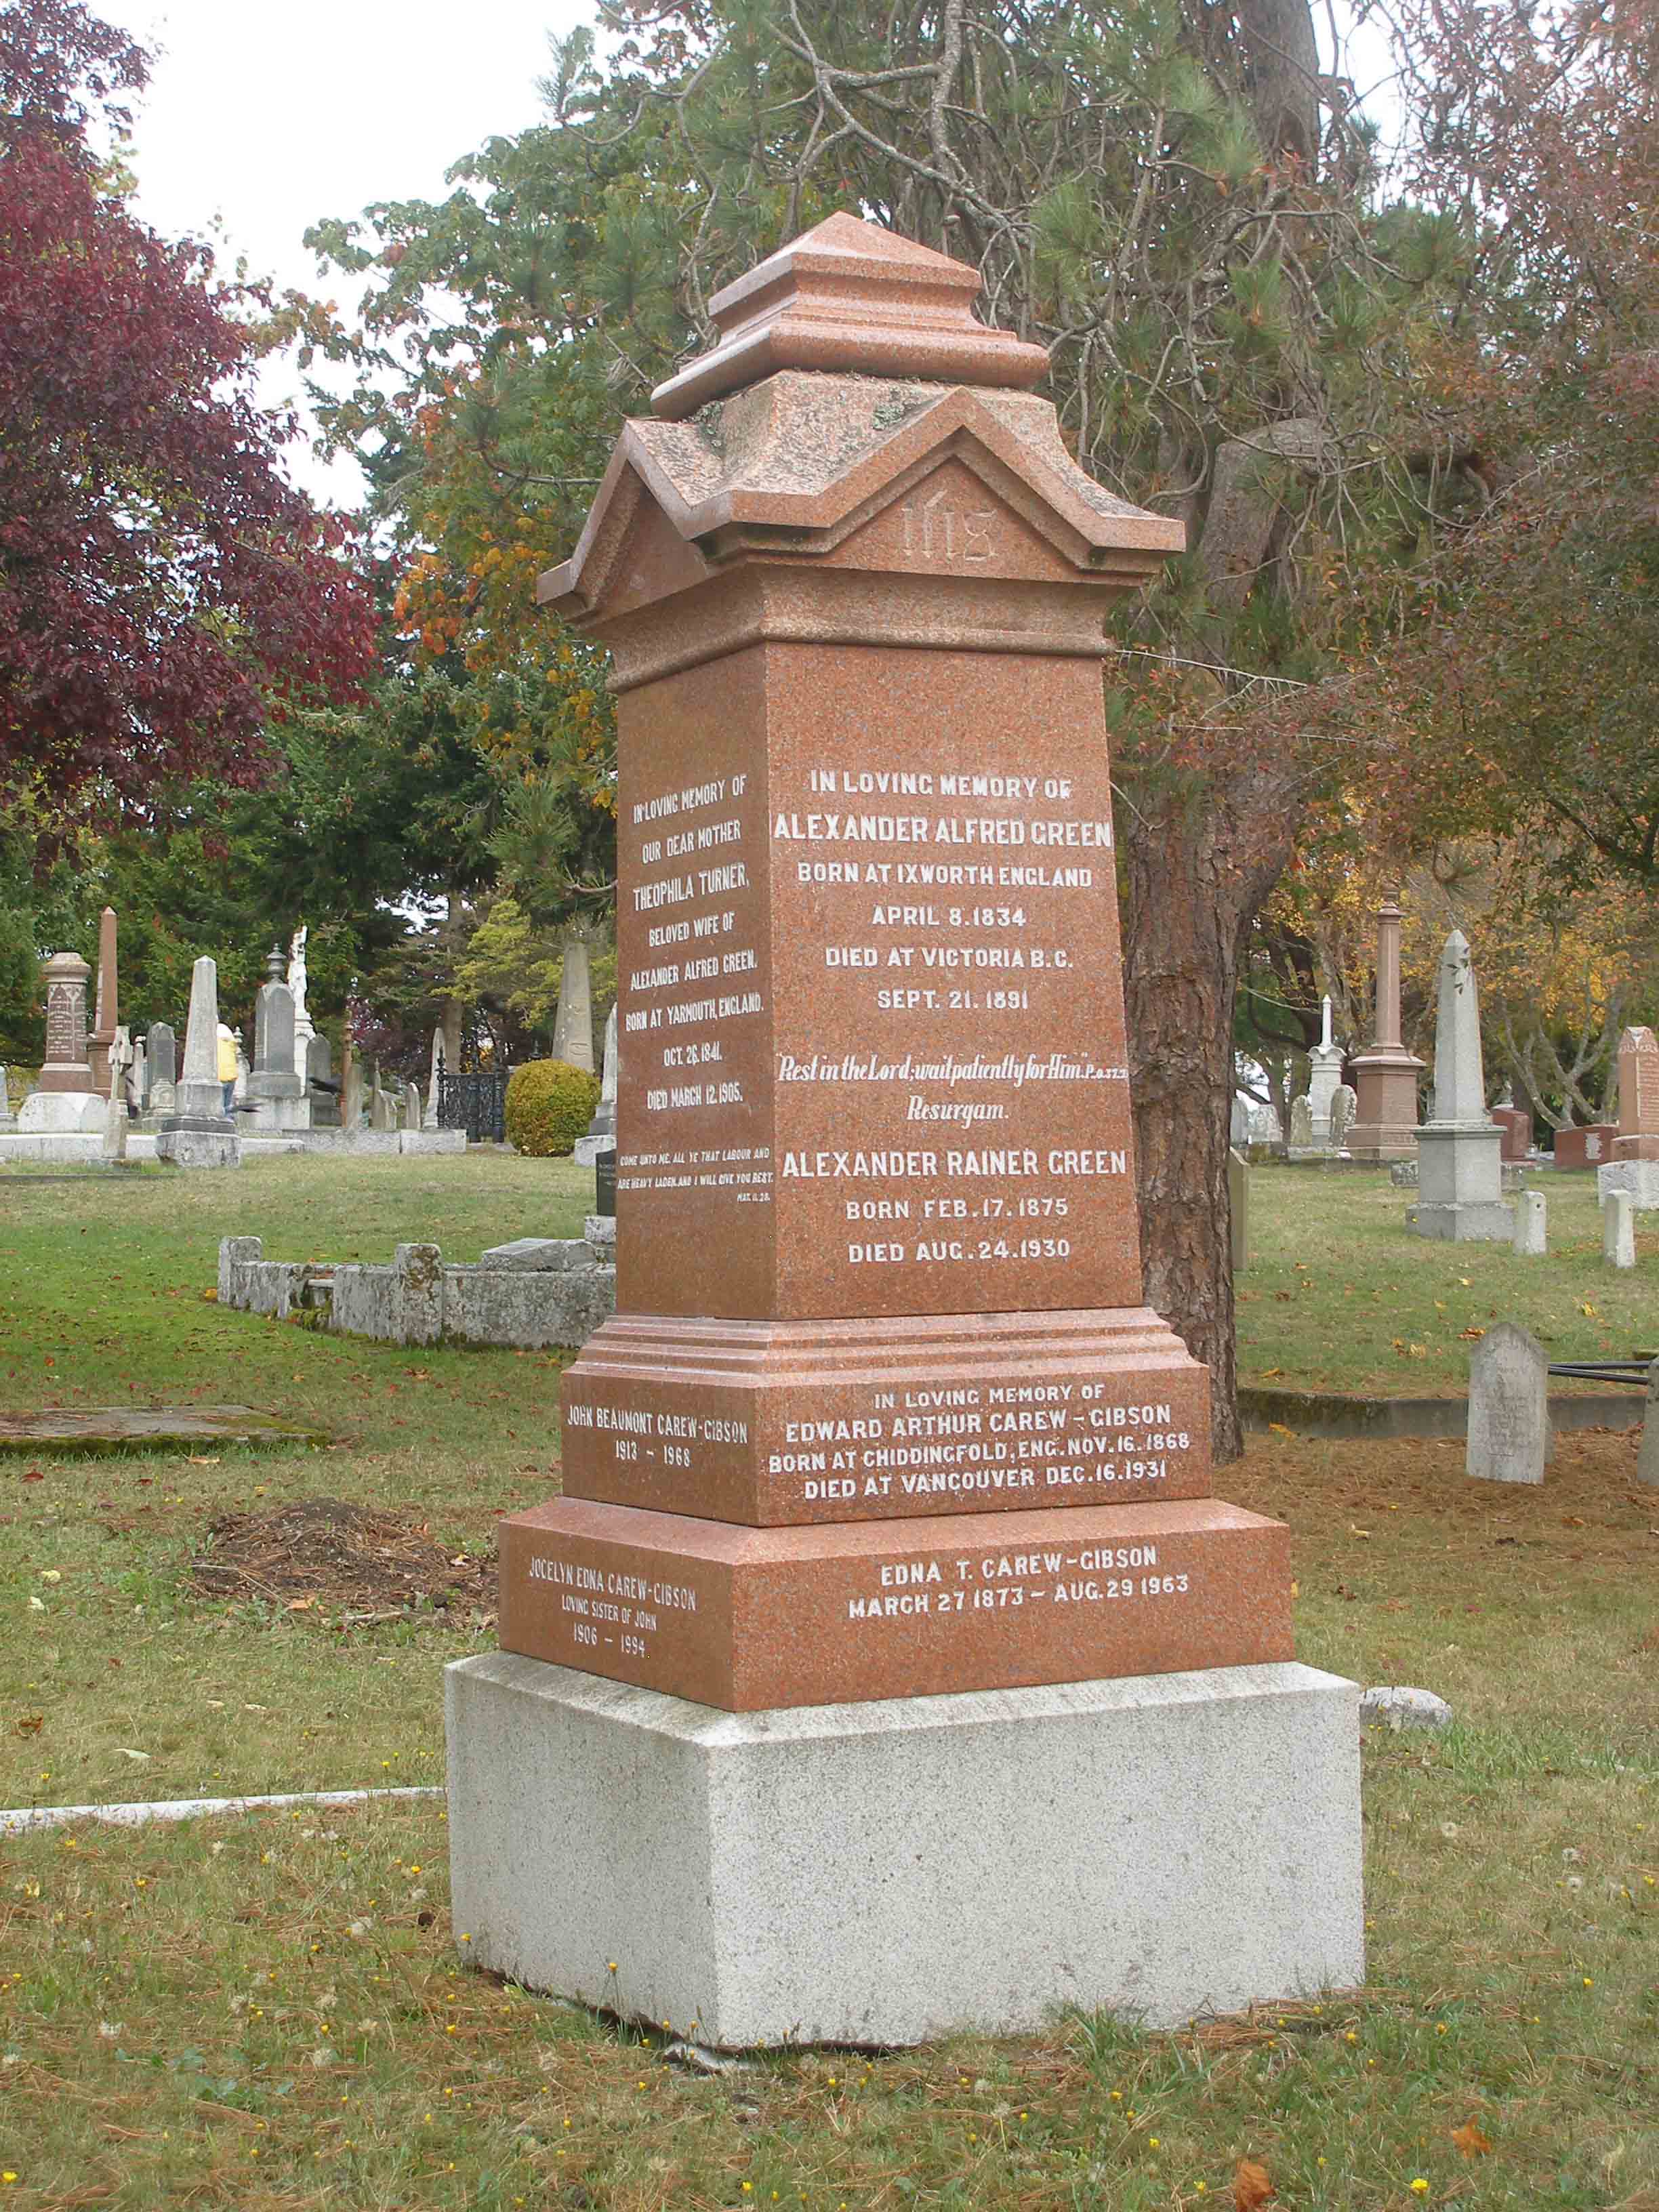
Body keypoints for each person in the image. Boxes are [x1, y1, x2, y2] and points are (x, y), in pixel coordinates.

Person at [216, 1021, 238, 1114]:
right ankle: (228, 1121)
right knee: (227, 1106)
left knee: (218, 1108)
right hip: (231, 1076)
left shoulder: (214, 1043)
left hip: (219, 1077)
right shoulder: (231, 1044)